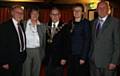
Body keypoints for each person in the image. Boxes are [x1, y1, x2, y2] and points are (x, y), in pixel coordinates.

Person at [89, 1, 120, 76]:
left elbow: (118, 44)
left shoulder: (115, 22)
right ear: (96, 10)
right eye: (99, 8)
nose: (102, 9)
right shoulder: (92, 23)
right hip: (93, 62)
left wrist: (114, 62)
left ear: (108, 10)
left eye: (104, 8)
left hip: (108, 63)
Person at [60, 3, 91, 76]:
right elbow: (67, 39)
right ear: (73, 12)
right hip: (71, 56)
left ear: (82, 12)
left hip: (80, 56)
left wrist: (83, 57)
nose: (76, 12)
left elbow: (87, 40)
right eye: (74, 10)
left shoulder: (85, 23)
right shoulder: (70, 23)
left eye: (78, 10)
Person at [0, 5, 26, 76]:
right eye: (18, 12)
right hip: (9, 61)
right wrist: (4, 62)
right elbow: (1, 45)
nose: (20, 14)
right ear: (12, 13)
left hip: (20, 59)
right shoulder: (5, 26)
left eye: (22, 13)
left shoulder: (21, 25)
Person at [22, 9, 46, 76]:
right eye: (33, 13)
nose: (35, 15)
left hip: (38, 51)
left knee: (36, 71)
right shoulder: (23, 24)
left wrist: (43, 53)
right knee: (26, 71)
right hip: (26, 50)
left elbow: (45, 40)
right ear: (30, 14)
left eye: (37, 13)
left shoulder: (43, 26)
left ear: (38, 15)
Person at [43, 7, 65, 76]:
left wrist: (64, 57)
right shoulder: (45, 26)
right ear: (50, 15)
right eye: (53, 14)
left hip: (59, 59)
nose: (55, 16)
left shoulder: (65, 27)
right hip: (47, 59)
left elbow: (67, 44)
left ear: (60, 15)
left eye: (57, 14)